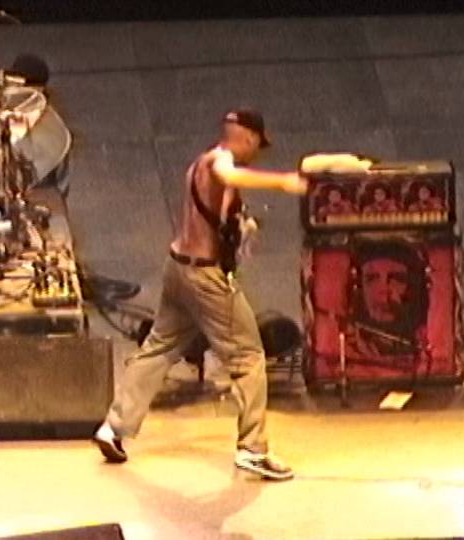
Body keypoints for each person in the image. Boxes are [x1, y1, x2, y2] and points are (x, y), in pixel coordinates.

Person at [93, 109, 307, 481]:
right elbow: (230, 175)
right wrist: (282, 182)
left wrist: (241, 226)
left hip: (177, 269)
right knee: (249, 356)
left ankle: (113, 428)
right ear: (248, 137)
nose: (256, 152)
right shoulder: (219, 162)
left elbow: (214, 213)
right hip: (204, 278)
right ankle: (253, 448)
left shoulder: (198, 164)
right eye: (257, 144)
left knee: (159, 347)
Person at [346, 238, 429, 360]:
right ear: (359, 286)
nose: (384, 291)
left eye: (397, 279)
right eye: (372, 278)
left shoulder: (427, 348)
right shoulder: (345, 349)